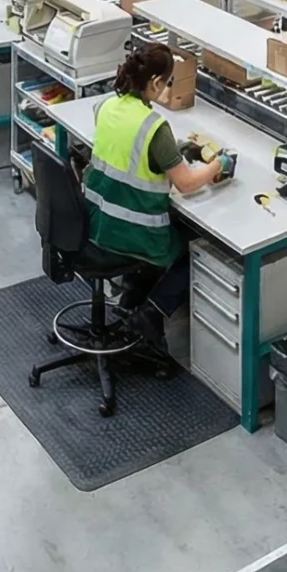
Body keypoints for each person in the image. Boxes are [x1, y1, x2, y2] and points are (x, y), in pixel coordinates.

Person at [81, 42, 228, 354]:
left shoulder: (106, 106)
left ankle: (130, 300)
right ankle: (153, 312)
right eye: (167, 83)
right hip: (133, 231)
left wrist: (173, 151)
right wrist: (219, 165)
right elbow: (187, 184)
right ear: (156, 83)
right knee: (194, 248)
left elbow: (127, 144)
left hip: (98, 221)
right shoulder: (154, 126)